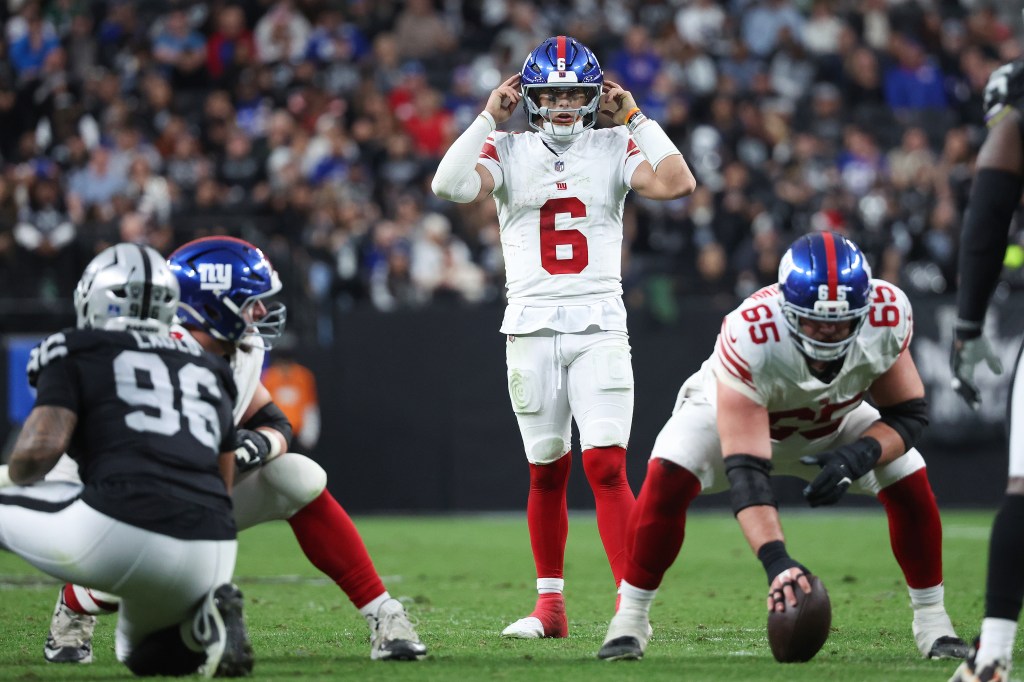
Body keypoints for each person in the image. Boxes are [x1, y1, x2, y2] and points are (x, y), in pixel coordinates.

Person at [34, 236, 426, 664]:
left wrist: (254, 447)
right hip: (95, 502)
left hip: (183, 494)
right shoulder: (149, 352)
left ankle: (385, 613)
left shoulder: (237, 350)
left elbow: (273, 421)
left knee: (297, 476)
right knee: (149, 560)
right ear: (213, 303)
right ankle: (76, 603)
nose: (261, 313)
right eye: (250, 303)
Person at [596, 231, 967, 662]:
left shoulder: (886, 314)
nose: (828, 334)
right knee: (668, 471)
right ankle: (631, 619)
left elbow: (908, 414)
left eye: (842, 322)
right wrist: (778, 563)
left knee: (909, 477)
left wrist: (857, 454)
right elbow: (748, 473)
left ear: (864, 312)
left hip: (831, 421)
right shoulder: (753, 331)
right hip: (729, 418)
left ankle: (933, 623)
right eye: (815, 322)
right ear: (788, 311)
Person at [431, 35, 696, 638]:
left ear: (593, 96)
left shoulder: (613, 143)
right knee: (545, 469)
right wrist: (484, 118)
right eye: (550, 95)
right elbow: (447, 185)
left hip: (599, 321)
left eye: (574, 94)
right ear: (528, 96)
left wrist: (635, 115)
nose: (562, 106)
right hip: (528, 325)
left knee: (606, 465)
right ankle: (551, 610)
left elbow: (679, 182)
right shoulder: (507, 147)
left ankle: (631, 614)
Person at [0, 243, 253, 677]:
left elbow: (39, 454)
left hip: (121, 527)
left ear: (92, 296)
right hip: (212, 548)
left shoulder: (75, 347)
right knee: (142, 658)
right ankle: (202, 624)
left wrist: (19, 476)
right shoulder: (210, 368)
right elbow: (222, 474)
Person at [948, 58, 1024, 682]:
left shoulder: (1015, 122)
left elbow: (988, 218)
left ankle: (994, 655)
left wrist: (968, 324)